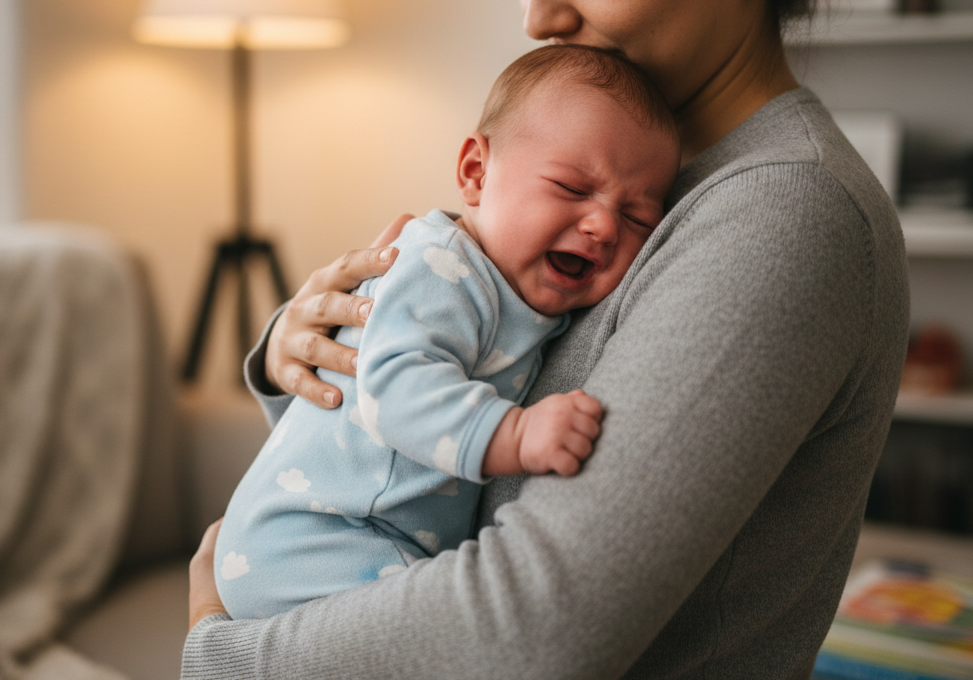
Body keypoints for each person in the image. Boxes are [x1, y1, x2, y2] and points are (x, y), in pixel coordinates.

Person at [181, 0, 911, 680]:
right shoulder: (623, 177)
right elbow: (416, 457)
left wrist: (227, 660)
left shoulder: (784, 213)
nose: (537, 18)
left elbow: (535, 633)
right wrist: (306, 348)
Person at [213, 45, 680, 634]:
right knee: (453, 644)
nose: (605, 226)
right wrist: (515, 433)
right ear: (475, 174)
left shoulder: (528, 292)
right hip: (318, 533)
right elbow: (394, 386)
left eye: (638, 217)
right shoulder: (442, 268)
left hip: (360, 531)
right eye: (571, 187)